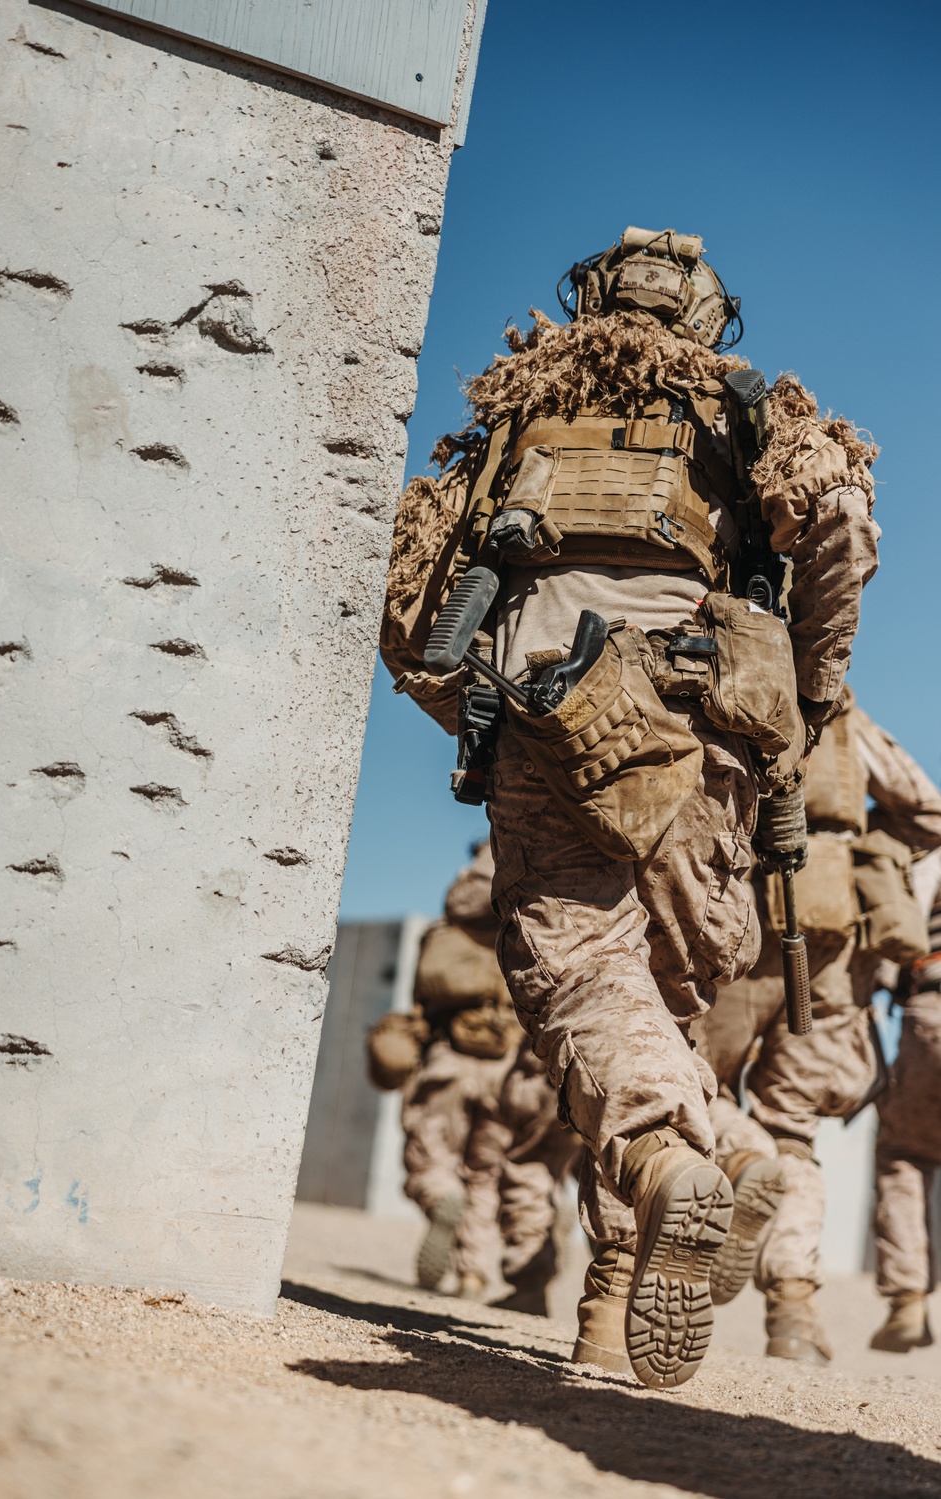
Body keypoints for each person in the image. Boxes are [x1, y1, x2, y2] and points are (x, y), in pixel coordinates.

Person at [381, 225, 879, 1386]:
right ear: (706, 313)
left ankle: (666, 1169)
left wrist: (479, 711)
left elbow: (410, 591)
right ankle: (635, 1274)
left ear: (594, 298)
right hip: (707, 728)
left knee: (580, 980)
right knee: (660, 997)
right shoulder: (745, 401)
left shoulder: (517, 407)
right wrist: (806, 691)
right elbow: (843, 521)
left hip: (549, 711)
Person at [695, 693, 941, 1363]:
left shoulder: (718, 687)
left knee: (690, 1080)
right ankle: (794, 1312)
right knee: (795, 1125)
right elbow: (926, 811)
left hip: (732, 918)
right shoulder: (843, 717)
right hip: (832, 938)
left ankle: (743, 1157)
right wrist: (857, 855)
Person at [368, 840, 522, 1298]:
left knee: (432, 1154)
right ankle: (473, 1272)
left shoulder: (451, 926)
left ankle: (439, 1196)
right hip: (506, 1067)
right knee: (486, 1171)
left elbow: (424, 993)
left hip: (448, 1058)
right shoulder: (529, 924)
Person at [871, 847, 941, 1352]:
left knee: (904, 1155)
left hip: (933, 1013)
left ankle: (907, 1299)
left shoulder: (933, 857)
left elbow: (900, 923)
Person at [491, 1039, 583, 1316]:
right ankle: (613, 1302)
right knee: (609, 1184)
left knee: (530, 1170)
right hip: (604, 1074)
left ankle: (530, 1287)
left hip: (543, 1071)